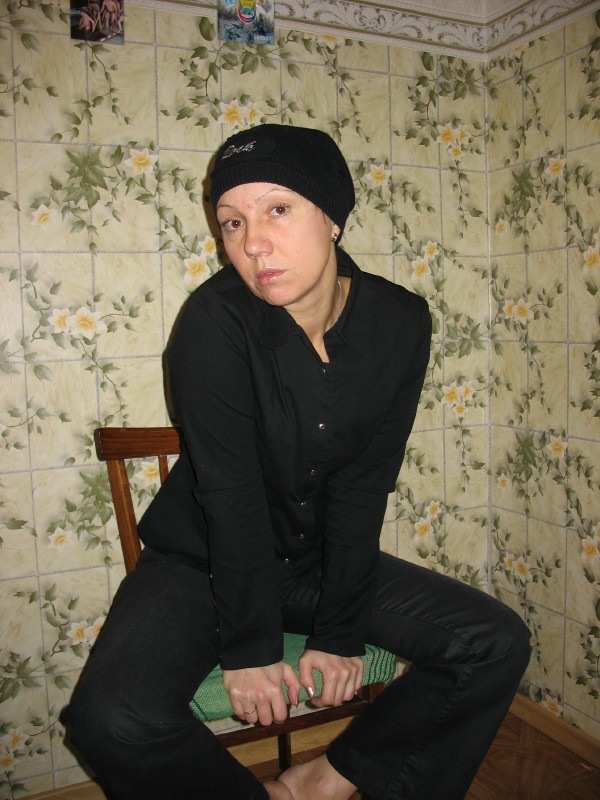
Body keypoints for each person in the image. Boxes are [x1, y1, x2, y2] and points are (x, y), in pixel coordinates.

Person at [62, 124, 531, 800]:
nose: (252, 243)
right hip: (201, 563)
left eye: (277, 209)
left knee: (492, 642)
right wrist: (251, 647)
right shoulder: (214, 322)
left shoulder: (400, 322)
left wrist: (339, 631)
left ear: (333, 216)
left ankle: (326, 778)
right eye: (232, 221)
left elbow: (364, 485)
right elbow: (230, 498)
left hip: (316, 564)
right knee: (110, 717)